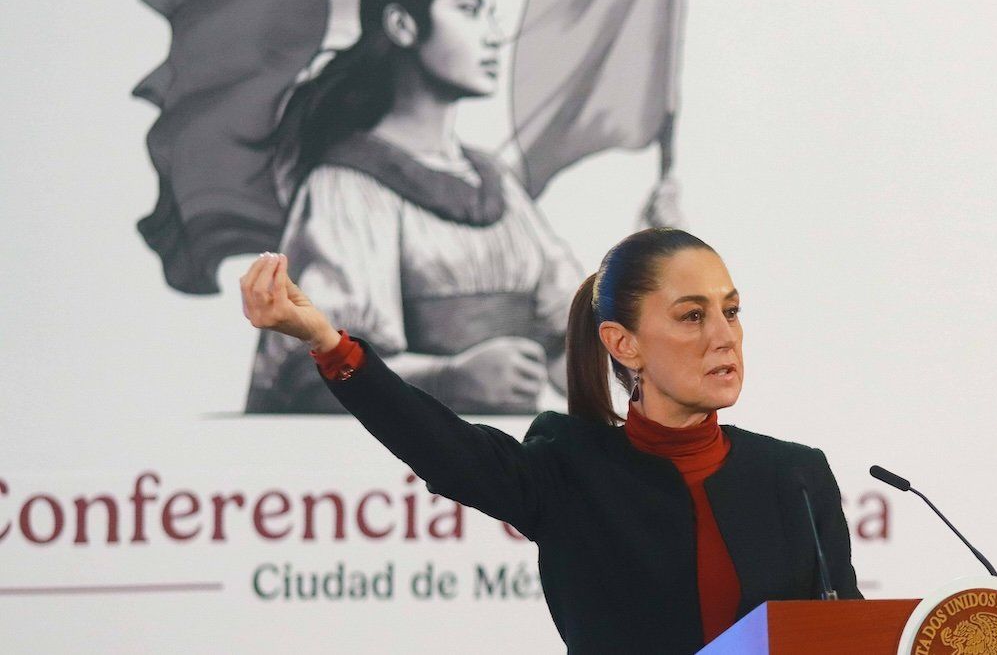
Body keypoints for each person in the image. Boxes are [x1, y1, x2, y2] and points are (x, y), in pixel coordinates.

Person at [241, 228, 862, 654]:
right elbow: (444, 448)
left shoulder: (796, 476)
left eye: (732, 310)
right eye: (693, 316)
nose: (725, 336)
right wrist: (330, 344)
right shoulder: (571, 467)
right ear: (624, 343)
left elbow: (847, 634)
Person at [245, 0, 584, 415]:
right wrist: (450, 378)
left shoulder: (496, 183)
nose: (495, 36)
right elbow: (316, 370)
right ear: (403, 25)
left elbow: (568, 342)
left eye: (491, 13)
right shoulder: (347, 186)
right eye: (468, 8)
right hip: (395, 472)